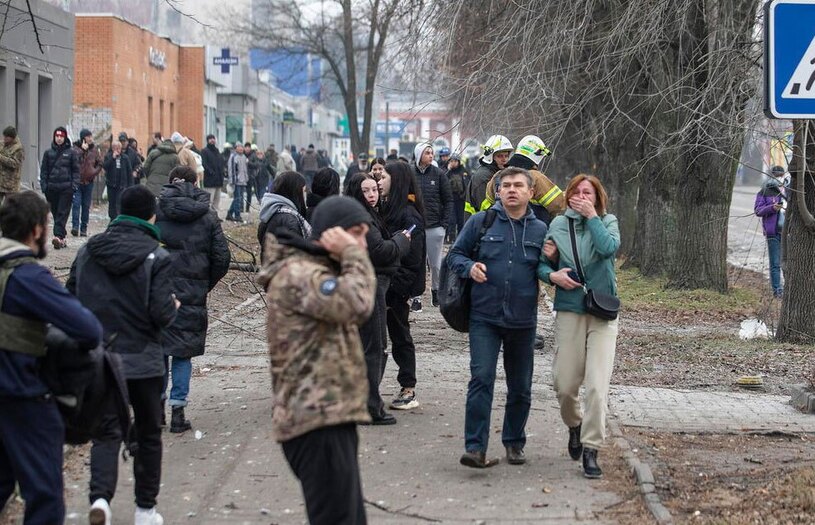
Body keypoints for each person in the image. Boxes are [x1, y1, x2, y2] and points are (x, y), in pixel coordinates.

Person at [256, 196, 375, 525]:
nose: (362, 243)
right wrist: (352, 254)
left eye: (364, 234)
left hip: (329, 418)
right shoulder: (301, 275)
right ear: (331, 236)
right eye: (355, 233)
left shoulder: (316, 271)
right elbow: (357, 303)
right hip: (316, 422)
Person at [66, 184, 179, 525]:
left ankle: (100, 499)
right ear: (151, 216)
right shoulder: (156, 256)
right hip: (144, 360)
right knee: (147, 433)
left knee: (106, 432)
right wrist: (172, 307)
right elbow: (161, 314)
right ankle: (145, 510)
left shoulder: (88, 251)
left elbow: (71, 298)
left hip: (100, 359)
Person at [0, 191, 102, 525]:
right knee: (44, 497)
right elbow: (88, 330)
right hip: (21, 397)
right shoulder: (28, 276)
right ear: (36, 231)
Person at [448, 167, 548, 469]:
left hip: (522, 320)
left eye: (518, 185)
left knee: (521, 386)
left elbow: (548, 268)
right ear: (498, 191)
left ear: (531, 192)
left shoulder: (541, 230)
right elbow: (455, 255)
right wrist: (470, 268)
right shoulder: (482, 221)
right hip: (484, 317)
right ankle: (475, 447)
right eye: (506, 186)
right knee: (481, 379)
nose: (512, 190)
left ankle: (514, 442)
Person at [537, 174, 620, 479]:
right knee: (564, 384)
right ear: (569, 196)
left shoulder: (608, 221)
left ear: (598, 198)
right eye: (578, 192)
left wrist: (593, 218)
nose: (583, 197)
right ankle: (575, 424)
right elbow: (541, 264)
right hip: (570, 309)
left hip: (602, 311)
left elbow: (609, 248)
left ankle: (591, 448)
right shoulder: (558, 225)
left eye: (589, 193)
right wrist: (551, 275)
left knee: (597, 387)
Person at [156, 166, 230, 432]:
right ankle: (178, 411)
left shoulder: (157, 211)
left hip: (159, 290)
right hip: (192, 293)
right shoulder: (208, 215)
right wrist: (203, 284)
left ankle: (156, 410)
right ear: (195, 182)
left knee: (160, 350)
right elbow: (222, 258)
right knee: (183, 353)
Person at [347, 173, 411, 424]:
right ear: (356, 192)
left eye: (374, 189)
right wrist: (401, 241)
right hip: (368, 284)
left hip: (367, 284)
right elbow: (381, 252)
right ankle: (369, 407)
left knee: (371, 345)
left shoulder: (363, 214)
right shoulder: (360, 219)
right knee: (374, 346)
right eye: (366, 190)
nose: (372, 195)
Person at [379, 161, 426, 411]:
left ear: (396, 181)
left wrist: (394, 290)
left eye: (384, 176)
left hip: (395, 289)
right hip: (384, 285)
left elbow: (412, 262)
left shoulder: (408, 215)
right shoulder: (387, 208)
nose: (379, 180)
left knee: (400, 336)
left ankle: (408, 388)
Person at [483, 135, 565, 225]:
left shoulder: (498, 176)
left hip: (503, 229)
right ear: (537, 155)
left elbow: (490, 199)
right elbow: (557, 204)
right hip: (532, 231)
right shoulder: (535, 177)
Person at [412, 142, 452, 309]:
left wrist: (444, 224)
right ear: (419, 154)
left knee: (435, 264)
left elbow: (448, 200)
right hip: (415, 226)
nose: (431, 155)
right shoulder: (410, 173)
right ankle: (416, 297)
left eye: (431, 152)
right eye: (427, 152)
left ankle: (436, 290)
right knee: (416, 262)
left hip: (435, 226)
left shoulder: (439, 174)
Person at [40, 126, 80, 250]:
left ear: (65, 137)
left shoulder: (71, 152)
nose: (58, 138)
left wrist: (73, 186)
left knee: (62, 213)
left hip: (66, 188)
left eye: (61, 136)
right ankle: (62, 237)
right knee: (56, 213)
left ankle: (57, 236)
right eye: (57, 136)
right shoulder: (48, 153)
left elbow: (76, 171)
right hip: (51, 188)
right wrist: (44, 186)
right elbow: (44, 171)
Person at [257, 171, 311, 260]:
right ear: (295, 191)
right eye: (304, 190)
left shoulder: (273, 211)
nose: (305, 194)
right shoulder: (289, 219)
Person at [754, 165, 787, 298]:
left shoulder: (790, 190)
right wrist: (772, 208)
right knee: (775, 263)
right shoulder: (765, 190)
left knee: (789, 262)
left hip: (789, 233)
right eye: (776, 176)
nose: (779, 178)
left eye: (781, 175)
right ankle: (777, 291)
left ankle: (788, 289)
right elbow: (758, 210)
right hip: (773, 232)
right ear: (772, 176)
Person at [465, 135, 513, 218]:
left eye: (506, 156)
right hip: (481, 226)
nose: (504, 159)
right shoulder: (483, 177)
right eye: (500, 156)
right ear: (490, 157)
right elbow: (487, 208)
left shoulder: (497, 173)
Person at [103, 141, 134, 220]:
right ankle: (112, 218)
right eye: (116, 148)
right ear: (113, 149)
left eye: (119, 148)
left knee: (119, 203)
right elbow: (105, 166)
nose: (118, 150)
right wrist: (112, 158)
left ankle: (118, 218)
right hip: (111, 185)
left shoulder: (125, 158)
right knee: (112, 203)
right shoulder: (108, 156)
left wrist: (130, 185)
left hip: (122, 185)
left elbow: (129, 172)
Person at [201, 134, 226, 216]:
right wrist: (211, 172)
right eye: (210, 139)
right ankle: (207, 217)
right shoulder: (205, 151)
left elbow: (221, 163)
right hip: (210, 181)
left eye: (213, 138)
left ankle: (215, 216)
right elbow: (204, 164)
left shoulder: (217, 151)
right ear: (207, 140)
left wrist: (222, 172)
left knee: (217, 201)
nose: (212, 140)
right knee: (209, 200)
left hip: (218, 180)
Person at [445, 153, 468, 242]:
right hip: (451, 200)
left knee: (461, 220)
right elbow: (444, 183)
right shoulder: (448, 173)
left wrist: (464, 195)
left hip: (461, 200)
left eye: (455, 161)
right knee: (452, 220)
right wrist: (448, 171)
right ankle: (451, 238)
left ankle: (461, 239)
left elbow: (467, 184)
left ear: (458, 162)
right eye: (451, 161)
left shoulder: (464, 171)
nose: (453, 163)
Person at [0, 126, 24, 206]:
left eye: (7, 137)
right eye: (4, 136)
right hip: (1, 182)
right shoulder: (2, 144)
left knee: (9, 209)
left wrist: (1, 158)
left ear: (12, 137)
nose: (5, 138)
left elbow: (15, 164)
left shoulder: (18, 149)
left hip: (11, 186)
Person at [227, 144, 248, 222]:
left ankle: (229, 213)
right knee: (237, 199)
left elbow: (245, 169)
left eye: (242, 148)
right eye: (239, 148)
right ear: (236, 149)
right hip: (236, 181)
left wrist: (246, 178)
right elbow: (231, 170)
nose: (241, 149)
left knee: (238, 198)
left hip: (243, 181)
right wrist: (232, 181)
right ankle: (237, 215)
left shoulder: (244, 157)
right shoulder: (233, 157)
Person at [245, 143, 261, 212]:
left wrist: (249, 162)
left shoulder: (253, 156)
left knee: (249, 193)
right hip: (242, 176)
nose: (247, 148)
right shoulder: (242, 155)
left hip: (251, 176)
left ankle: (247, 208)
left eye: (249, 147)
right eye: (246, 147)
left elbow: (256, 165)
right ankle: (240, 208)